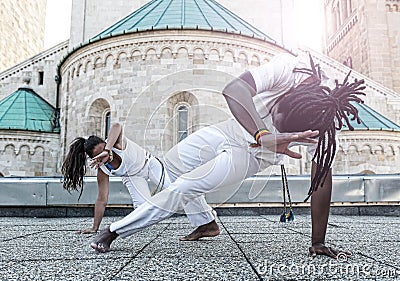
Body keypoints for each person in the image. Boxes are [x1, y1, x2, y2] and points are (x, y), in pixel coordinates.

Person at [90, 52, 365, 258]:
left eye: (284, 125)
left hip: (255, 156)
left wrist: (317, 241)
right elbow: (234, 90)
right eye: (278, 115)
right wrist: (264, 134)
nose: (277, 122)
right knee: (171, 167)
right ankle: (206, 222)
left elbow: (321, 183)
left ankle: (114, 232)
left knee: (184, 186)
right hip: (233, 129)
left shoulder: (324, 129)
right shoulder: (289, 70)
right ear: (292, 93)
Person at [61, 122, 217, 235]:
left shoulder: (117, 144)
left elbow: (116, 125)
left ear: (106, 143)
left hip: (149, 164)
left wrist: (108, 149)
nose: (105, 157)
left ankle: (207, 222)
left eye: (103, 150)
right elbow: (102, 199)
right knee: (143, 209)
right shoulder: (102, 168)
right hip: (132, 176)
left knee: (177, 188)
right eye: (99, 155)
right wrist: (95, 227)